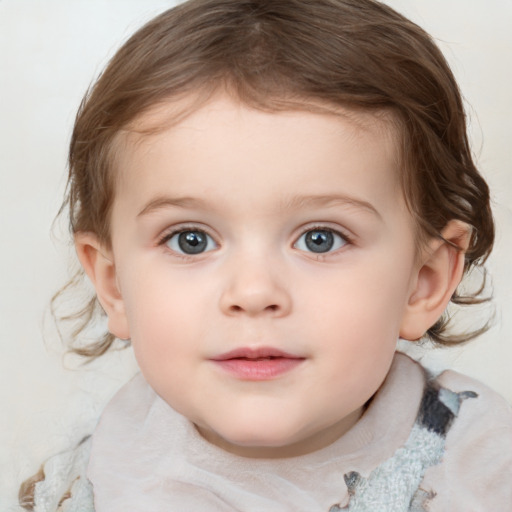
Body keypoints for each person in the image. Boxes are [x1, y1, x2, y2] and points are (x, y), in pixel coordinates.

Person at [19, 0, 512, 510]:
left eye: (321, 238)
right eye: (191, 239)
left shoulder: (477, 470)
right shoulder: (91, 482)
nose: (253, 293)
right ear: (114, 284)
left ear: (424, 280)